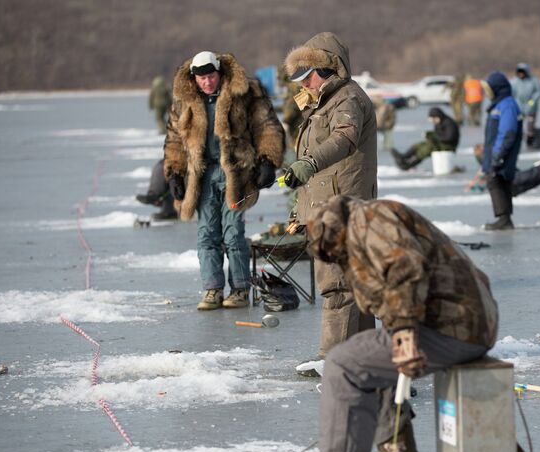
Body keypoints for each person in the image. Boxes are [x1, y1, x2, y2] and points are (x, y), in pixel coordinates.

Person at [280, 195, 499, 452]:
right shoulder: (369, 222)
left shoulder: (369, 221)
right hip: (465, 323)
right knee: (370, 360)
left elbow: (405, 268)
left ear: (333, 231)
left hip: (454, 325)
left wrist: (405, 334)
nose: (337, 260)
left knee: (343, 363)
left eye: (334, 253)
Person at [280, 32, 378, 374]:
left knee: (338, 283)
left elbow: (343, 139)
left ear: (328, 68)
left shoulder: (347, 99)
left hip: (343, 205)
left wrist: (306, 166)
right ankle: (361, 354)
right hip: (326, 203)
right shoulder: (322, 102)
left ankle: (334, 358)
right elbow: (313, 161)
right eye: (300, 78)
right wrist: (300, 204)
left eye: (308, 76)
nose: (304, 84)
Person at [164, 51, 285, 311]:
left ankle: (240, 289)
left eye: (211, 77)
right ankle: (212, 289)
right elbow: (174, 138)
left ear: (219, 72)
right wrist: (174, 172)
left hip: (237, 174)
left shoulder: (245, 92)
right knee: (207, 234)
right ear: (194, 79)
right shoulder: (184, 100)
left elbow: (267, 125)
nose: (207, 83)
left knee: (233, 233)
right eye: (202, 79)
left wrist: (267, 160)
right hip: (203, 176)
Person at [481, 71, 523, 230]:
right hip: (496, 152)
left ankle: (504, 219)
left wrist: (498, 155)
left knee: (495, 181)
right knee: (499, 181)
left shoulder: (507, 105)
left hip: (502, 153)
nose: (486, 94)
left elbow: (507, 132)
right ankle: (505, 218)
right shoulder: (499, 104)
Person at [391, 107, 459, 171]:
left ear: (437, 117)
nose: (432, 121)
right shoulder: (439, 122)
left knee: (428, 148)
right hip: (441, 143)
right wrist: (430, 135)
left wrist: (434, 137)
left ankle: (409, 165)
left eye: (433, 119)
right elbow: (437, 134)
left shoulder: (449, 124)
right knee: (420, 145)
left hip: (449, 146)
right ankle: (404, 157)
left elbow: (450, 138)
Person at [511, 63, 540, 147]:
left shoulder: (533, 80)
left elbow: (539, 91)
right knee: (518, 125)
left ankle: (530, 140)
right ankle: (518, 141)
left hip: (531, 107)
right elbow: (512, 93)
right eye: (519, 73)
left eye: (522, 72)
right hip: (519, 107)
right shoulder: (515, 81)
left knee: (530, 125)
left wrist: (532, 101)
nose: (521, 74)